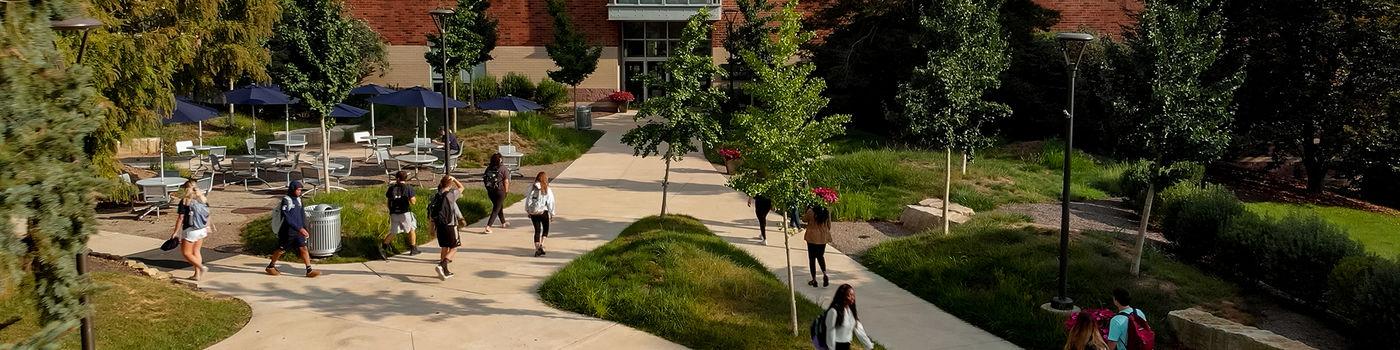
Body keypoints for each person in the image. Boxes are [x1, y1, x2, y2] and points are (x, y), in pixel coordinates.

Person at [266, 181, 320, 278]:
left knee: (303, 248)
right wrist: (299, 228)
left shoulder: (299, 200)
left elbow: (302, 215)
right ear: (292, 189)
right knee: (281, 249)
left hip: (299, 231)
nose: (300, 192)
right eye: (298, 190)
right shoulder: (286, 200)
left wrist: (304, 228)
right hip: (288, 231)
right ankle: (271, 266)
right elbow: (287, 218)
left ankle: (309, 270)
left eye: (300, 190)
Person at [171, 180, 212, 281]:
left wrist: (175, 232)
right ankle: (197, 275)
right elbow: (208, 213)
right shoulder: (202, 198)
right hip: (201, 228)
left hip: (191, 229)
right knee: (196, 251)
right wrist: (208, 226)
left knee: (186, 253)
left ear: (186, 189)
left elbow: (181, 218)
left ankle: (201, 268)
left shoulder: (185, 201)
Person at [429, 175, 466, 280]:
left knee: (444, 247)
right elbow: (462, 188)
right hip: (450, 225)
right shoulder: (451, 195)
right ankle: (442, 265)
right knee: (454, 248)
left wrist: (431, 228)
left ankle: (445, 271)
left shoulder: (436, 196)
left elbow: (432, 214)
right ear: (449, 185)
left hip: (439, 225)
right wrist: (454, 179)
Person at [382, 171, 420, 259]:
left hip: (393, 213)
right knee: (411, 229)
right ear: (405, 178)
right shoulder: (408, 188)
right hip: (405, 213)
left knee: (393, 232)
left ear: (397, 178)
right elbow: (413, 202)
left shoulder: (391, 188)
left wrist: (391, 210)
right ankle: (413, 248)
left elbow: (388, 202)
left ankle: (383, 247)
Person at [824, 284, 874, 350]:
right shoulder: (833, 311)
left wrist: (868, 345)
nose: (853, 297)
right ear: (842, 296)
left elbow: (859, 330)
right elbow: (829, 333)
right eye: (849, 295)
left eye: (853, 295)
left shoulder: (851, 312)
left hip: (846, 346)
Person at [525, 172, 556, 257]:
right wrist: (552, 213)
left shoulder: (532, 187)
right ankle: (542, 244)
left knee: (537, 230)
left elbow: (528, 199)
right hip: (543, 212)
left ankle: (537, 248)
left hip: (533, 212)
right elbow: (551, 202)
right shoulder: (547, 189)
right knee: (545, 229)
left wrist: (528, 210)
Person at [803, 205, 833, 288]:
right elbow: (829, 226)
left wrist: (807, 210)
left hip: (812, 237)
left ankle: (814, 280)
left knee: (812, 258)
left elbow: (804, 219)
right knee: (820, 256)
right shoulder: (826, 211)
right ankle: (824, 274)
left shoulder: (811, 211)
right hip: (823, 237)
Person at [482, 153, 510, 233]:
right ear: (500, 160)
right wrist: (506, 191)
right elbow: (506, 181)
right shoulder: (503, 168)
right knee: (496, 209)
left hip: (491, 191)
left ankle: (503, 222)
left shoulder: (488, 168)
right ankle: (488, 226)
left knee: (498, 206)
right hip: (500, 191)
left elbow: (484, 179)